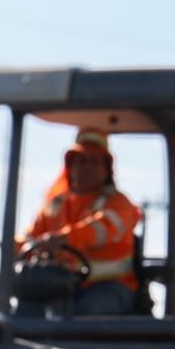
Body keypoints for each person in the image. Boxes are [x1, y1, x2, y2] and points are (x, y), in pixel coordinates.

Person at [18, 126, 146, 315]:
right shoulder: (55, 205)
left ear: (106, 169)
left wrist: (64, 239)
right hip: (59, 286)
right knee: (26, 310)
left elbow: (103, 228)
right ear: (70, 166)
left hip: (110, 287)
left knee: (86, 313)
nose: (87, 167)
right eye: (81, 161)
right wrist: (14, 250)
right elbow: (29, 238)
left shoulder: (118, 203)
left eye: (94, 161)